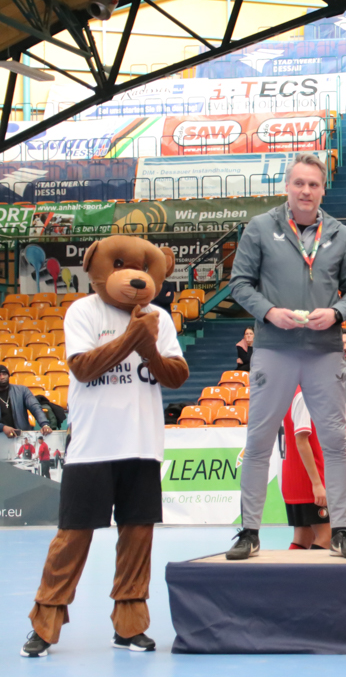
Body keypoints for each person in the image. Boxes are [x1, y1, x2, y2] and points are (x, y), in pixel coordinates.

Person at [23, 235, 188, 658]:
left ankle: (129, 626)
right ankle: (45, 623)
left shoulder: (159, 317)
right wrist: (133, 337)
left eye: (144, 270)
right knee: (72, 538)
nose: (134, 277)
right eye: (121, 266)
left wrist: (149, 347)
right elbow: (83, 368)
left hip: (143, 445)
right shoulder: (83, 310)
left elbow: (176, 376)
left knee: (138, 539)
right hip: (92, 446)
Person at [226, 153, 346, 561]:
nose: (306, 191)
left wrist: (336, 313)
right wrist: (269, 312)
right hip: (274, 347)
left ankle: (340, 530)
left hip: (323, 351)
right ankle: (249, 532)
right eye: (299, 183)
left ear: (323, 190)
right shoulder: (260, 227)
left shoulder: (339, 233)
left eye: (314, 184)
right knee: (258, 441)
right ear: (287, 186)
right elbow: (239, 283)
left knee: (335, 443)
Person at [281, 389, 346, 550]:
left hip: (295, 476)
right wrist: (317, 484)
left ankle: (290, 568)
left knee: (303, 536)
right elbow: (302, 441)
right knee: (326, 538)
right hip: (308, 478)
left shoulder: (289, 393)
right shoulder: (305, 395)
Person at [0, 365, 52, 438]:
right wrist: (3, 427)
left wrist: (44, 424)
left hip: (22, 436)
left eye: (4, 374)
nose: (2, 377)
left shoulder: (22, 390)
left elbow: (35, 407)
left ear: (8, 376)